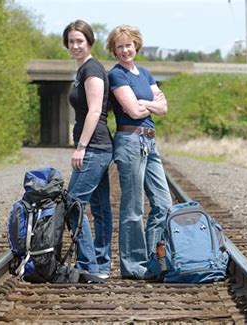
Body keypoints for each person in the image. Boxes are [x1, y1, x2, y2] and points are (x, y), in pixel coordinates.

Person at [106, 25, 172, 279]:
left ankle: (153, 259)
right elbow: (133, 112)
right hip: (130, 141)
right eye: (119, 46)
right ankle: (134, 266)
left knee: (163, 203)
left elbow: (164, 108)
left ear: (136, 46)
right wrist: (150, 104)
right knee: (133, 208)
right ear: (114, 50)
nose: (125, 50)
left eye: (128, 45)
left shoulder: (144, 73)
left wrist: (145, 103)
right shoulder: (117, 76)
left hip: (150, 142)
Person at [62, 20, 113, 279]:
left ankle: (89, 266)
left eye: (80, 41)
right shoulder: (83, 69)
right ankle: (101, 266)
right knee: (101, 207)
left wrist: (81, 147)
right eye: (71, 41)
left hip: (94, 147)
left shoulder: (91, 70)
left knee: (73, 204)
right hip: (99, 147)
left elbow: (95, 111)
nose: (75, 46)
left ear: (89, 42)